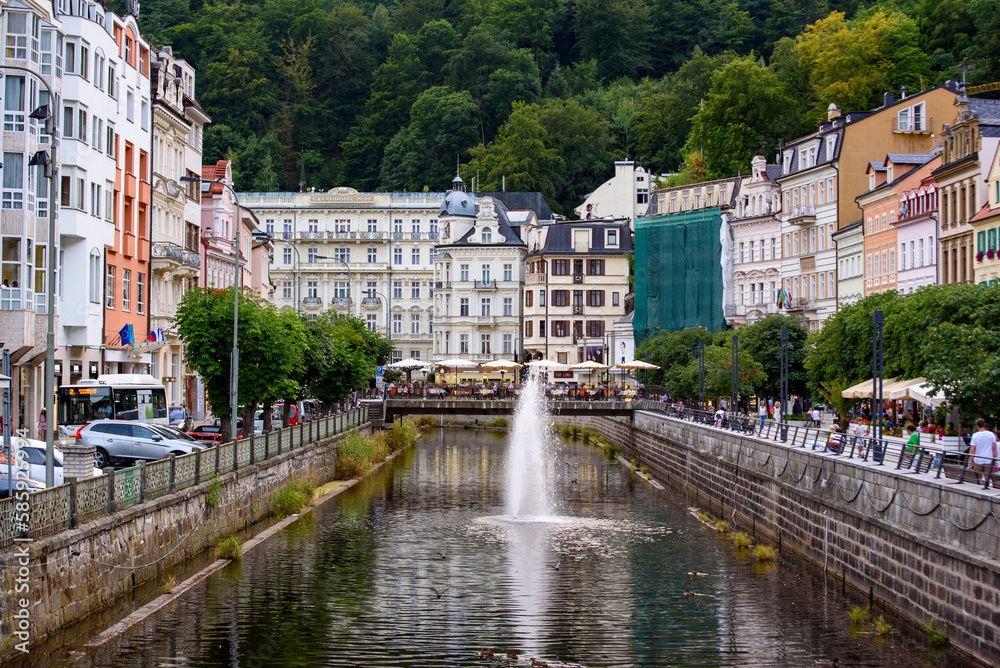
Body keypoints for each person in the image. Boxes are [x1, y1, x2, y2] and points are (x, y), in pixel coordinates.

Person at [970, 418, 998, 486]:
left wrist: (970, 460)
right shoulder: (991, 434)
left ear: (977, 426)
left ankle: (979, 488)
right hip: (988, 459)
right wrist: (995, 459)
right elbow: (994, 448)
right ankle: (986, 487)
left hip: (978, 459)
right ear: (984, 425)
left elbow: (972, 449)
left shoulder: (975, 435)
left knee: (978, 478)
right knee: (987, 477)